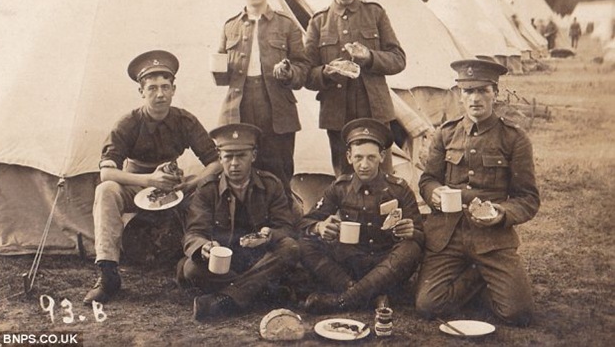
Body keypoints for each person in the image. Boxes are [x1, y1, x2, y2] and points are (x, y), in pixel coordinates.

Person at [83, 50, 222, 305]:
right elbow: (106, 172)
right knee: (106, 191)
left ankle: (201, 262)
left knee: (208, 187)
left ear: (173, 89)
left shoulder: (184, 120)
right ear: (141, 92)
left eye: (165, 87)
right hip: (136, 184)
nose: (160, 94)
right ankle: (108, 273)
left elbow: (215, 162)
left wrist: (190, 183)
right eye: (153, 88)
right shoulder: (128, 123)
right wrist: (148, 181)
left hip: (174, 185)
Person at [415, 59, 540, 326]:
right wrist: (434, 192)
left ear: (495, 92)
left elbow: (528, 198)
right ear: (459, 95)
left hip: (492, 237)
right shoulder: (445, 134)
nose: (475, 98)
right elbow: (427, 180)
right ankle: (479, 276)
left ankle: (485, 274)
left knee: (518, 314)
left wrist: (501, 213)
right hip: (448, 235)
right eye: (468, 91)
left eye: (482, 90)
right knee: (428, 305)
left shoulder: (514, 139)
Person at [212, 0, 309, 200]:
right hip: (239, 107)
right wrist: (219, 69)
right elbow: (221, 78)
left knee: (278, 170)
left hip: (276, 107)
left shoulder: (286, 25)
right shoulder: (229, 27)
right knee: (241, 170)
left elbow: (304, 68)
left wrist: (290, 73)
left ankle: (283, 228)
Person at [298, 118, 423, 313]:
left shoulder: (399, 189)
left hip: (385, 262)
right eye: (358, 157)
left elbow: (421, 236)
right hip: (350, 262)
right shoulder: (339, 188)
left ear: (382, 156)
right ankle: (368, 295)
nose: (364, 165)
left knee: (411, 248)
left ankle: (343, 300)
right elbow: (306, 222)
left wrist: (411, 231)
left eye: (371, 157)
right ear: (349, 157)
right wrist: (320, 227)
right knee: (306, 244)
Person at [178, 123, 300, 320]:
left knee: (290, 248)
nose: (234, 163)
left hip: (259, 258)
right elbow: (193, 233)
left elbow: (287, 228)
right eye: (228, 156)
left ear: (253, 156)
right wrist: (204, 247)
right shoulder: (207, 188)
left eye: (241, 156)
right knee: (190, 268)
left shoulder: (271, 184)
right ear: (220, 157)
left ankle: (224, 300)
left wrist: (269, 236)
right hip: (224, 262)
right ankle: (264, 293)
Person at [304, 0, 406, 177]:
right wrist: (328, 72)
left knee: (383, 176)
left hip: (375, 112)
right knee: (345, 179)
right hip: (337, 114)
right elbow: (307, 74)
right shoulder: (318, 22)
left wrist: (370, 57)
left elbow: (398, 59)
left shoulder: (375, 14)